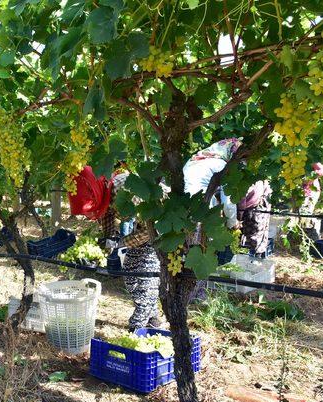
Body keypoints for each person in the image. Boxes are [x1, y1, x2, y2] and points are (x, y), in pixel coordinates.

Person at [70, 166, 161, 331]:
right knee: (130, 271)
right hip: (145, 228)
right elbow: (106, 213)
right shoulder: (104, 191)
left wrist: (120, 243)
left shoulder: (125, 190)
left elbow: (150, 229)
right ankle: (152, 315)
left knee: (146, 274)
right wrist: (108, 240)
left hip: (165, 229)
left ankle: (138, 325)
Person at [183, 137, 242, 229]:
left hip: (188, 206)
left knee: (189, 238)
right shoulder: (222, 166)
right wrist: (232, 223)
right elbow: (228, 202)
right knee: (205, 239)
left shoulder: (192, 161)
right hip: (207, 209)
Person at [237, 180, 272, 256]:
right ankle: (256, 255)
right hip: (261, 208)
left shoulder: (246, 181)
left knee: (252, 238)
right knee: (258, 237)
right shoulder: (261, 178)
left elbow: (241, 204)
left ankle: (252, 257)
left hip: (254, 211)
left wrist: (239, 219)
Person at [300, 162, 323, 240]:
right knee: (301, 213)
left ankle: (309, 238)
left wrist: (311, 178)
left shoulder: (311, 159)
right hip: (302, 191)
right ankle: (303, 237)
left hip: (311, 192)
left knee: (306, 213)